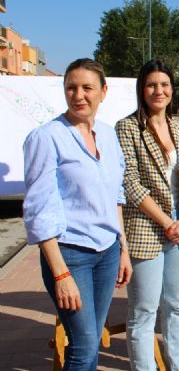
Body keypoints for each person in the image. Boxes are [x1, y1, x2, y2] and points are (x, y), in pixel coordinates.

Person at [23, 58, 132, 370]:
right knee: (83, 347)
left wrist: (122, 249)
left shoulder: (109, 136)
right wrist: (60, 274)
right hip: (70, 255)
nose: (78, 95)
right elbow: (38, 209)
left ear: (103, 92)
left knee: (92, 339)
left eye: (87, 88)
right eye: (71, 88)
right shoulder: (47, 137)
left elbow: (116, 197)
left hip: (107, 252)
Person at [115, 60, 179, 370]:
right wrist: (167, 222)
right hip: (147, 230)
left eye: (164, 85)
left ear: (172, 90)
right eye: (151, 85)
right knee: (144, 311)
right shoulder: (127, 127)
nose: (158, 90)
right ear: (142, 89)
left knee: (177, 306)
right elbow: (130, 182)